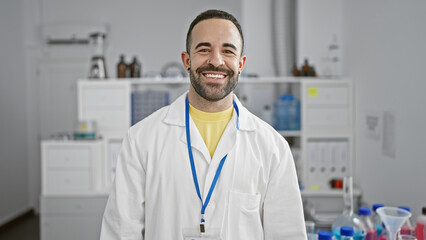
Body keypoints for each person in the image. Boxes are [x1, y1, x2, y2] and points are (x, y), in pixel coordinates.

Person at [100, 9, 306, 240]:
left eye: (227, 51)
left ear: (241, 63)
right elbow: (121, 232)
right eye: (204, 49)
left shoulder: (272, 147)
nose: (216, 60)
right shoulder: (142, 139)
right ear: (187, 60)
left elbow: (287, 234)